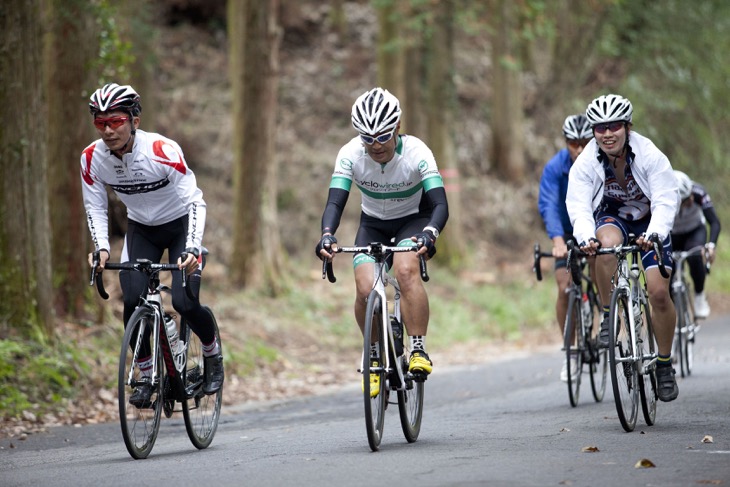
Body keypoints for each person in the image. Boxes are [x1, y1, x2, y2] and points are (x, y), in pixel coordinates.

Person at [81, 83, 224, 405]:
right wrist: (102, 247)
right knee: (132, 301)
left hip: (181, 226)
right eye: (100, 123)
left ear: (135, 120)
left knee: (185, 303)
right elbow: (95, 206)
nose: (108, 130)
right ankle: (145, 374)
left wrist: (191, 246)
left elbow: (195, 202)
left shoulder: (162, 151)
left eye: (115, 121)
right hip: (141, 229)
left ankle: (213, 355)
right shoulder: (92, 158)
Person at [315, 87, 449, 396]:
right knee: (364, 288)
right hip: (372, 224)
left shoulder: (417, 152)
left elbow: (440, 204)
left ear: (398, 127)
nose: (375, 145)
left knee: (405, 270)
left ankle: (417, 347)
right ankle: (375, 354)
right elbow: (335, 202)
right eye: (367, 138)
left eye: (382, 136)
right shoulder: (350, 154)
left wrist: (430, 232)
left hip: (412, 221)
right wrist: (326, 234)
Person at [566, 94, 680, 402]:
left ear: (627, 127)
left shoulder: (649, 155)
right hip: (612, 217)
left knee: (658, 293)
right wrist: (585, 237)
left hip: (649, 221)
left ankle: (665, 364)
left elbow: (666, 199)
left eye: (614, 126)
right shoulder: (587, 161)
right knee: (604, 247)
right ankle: (608, 313)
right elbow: (578, 204)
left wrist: (655, 233)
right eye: (599, 128)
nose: (607, 134)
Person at [538, 114, 594, 382]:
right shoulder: (554, 167)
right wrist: (557, 241)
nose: (580, 149)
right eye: (574, 143)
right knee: (564, 287)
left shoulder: (600, 162)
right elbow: (548, 204)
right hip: (566, 232)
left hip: (595, 229)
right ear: (566, 142)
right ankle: (570, 352)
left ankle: (607, 316)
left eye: (585, 142)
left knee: (603, 270)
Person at [672, 170, 721, 318]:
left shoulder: (698, 192)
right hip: (672, 234)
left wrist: (711, 245)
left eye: (690, 197)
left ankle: (699, 296)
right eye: (686, 201)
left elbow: (714, 222)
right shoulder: (664, 197)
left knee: (694, 256)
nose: (691, 201)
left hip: (694, 231)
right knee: (666, 270)